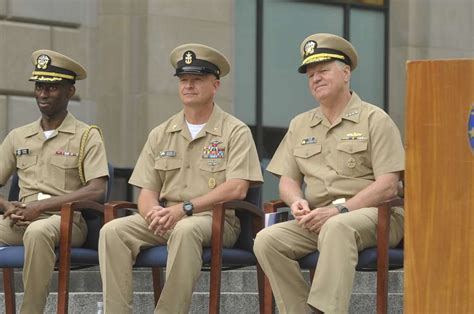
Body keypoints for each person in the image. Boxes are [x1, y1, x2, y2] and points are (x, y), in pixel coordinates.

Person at [99, 43, 263, 313]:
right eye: (184, 80)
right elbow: (147, 191)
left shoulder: (235, 131)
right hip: (168, 218)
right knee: (113, 231)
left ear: (216, 85)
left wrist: (183, 209)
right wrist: (154, 214)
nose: (188, 85)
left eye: (197, 79)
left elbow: (237, 189)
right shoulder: (161, 133)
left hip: (215, 220)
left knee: (186, 230)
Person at [253, 33, 404, 314]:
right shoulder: (301, 124)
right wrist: (296, 200)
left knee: (337, 227)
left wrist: (341, 211)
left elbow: (388, 186)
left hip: (376, 214)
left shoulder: (375, 119)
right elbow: (288, 180)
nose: (315, 78)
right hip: (320, 218)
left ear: (346, 73)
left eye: (323, 71)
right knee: (267, 240)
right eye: (310, 74)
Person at [0, 50, 109, 314]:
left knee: (38, 232)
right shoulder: (19, 136)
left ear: (70, 91)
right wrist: (7, 207)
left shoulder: (86, 135)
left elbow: (97, 190)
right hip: (19, 219)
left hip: (66, 221)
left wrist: (41, 207)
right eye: (39, 86)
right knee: (32, 229)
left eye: (52, 87)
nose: (43, 94)